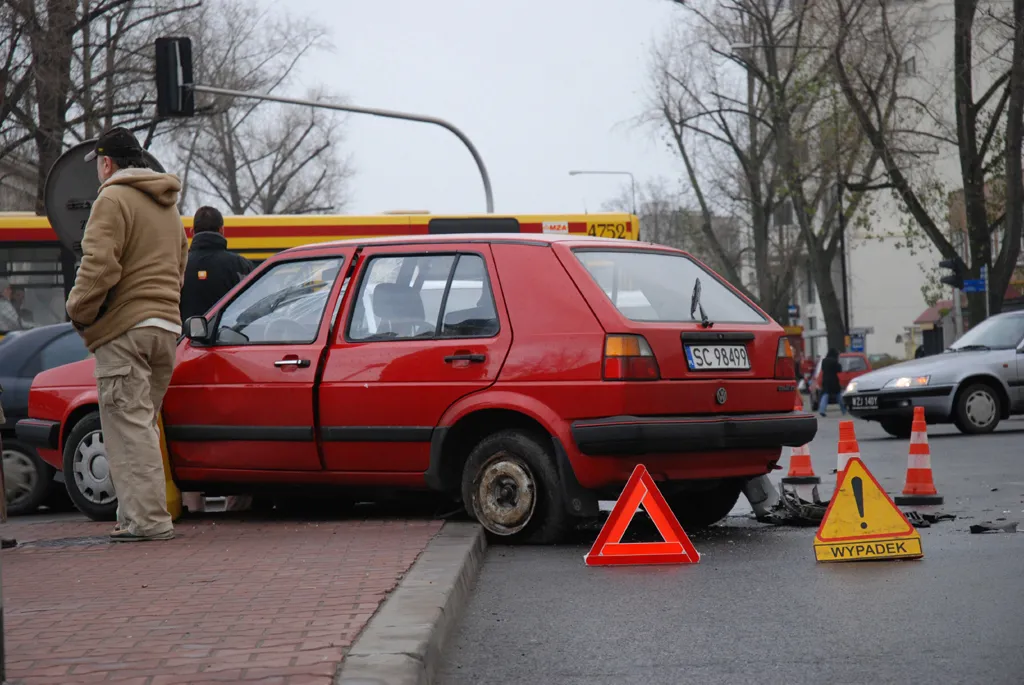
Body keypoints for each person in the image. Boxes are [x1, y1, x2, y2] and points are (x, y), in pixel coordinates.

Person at [66, 127, 188, 542]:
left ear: (106, 163)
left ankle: (149, 522)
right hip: (165, 329)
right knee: (141, 425)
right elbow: (180, 265)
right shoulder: (167, 205)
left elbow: (99, 265)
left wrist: (77, 310)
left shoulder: (112, 198)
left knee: (126, 429)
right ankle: (134, 516)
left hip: (126, 329)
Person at [177, 205, 255, 515]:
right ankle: (236, 504)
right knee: (233, 430)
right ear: (223, 232)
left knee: (187, 429)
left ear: (192, 233)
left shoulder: (176, 266)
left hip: (183, 361)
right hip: (230, 361)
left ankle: (191, 505)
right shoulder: (238, 265)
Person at [179, 205, 254, 322]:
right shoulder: (241, 265)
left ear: (192, 232)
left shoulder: (179, 265)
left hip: (185, 338)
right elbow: (251, 307)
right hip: (228, 337)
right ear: (221, 230)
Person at [818, 348, 846, 417]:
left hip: (825, 380)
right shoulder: (834, 361)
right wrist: (838, 362)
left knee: (825, 395)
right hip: (834, 381)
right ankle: (844, 410)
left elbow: (822, 369)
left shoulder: (824, 361)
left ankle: (822, 410)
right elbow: (839, 370)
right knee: (839, 396)